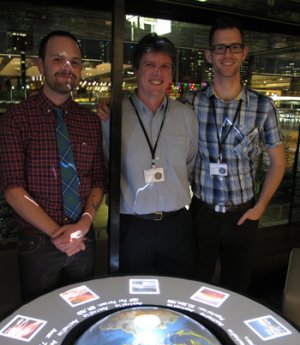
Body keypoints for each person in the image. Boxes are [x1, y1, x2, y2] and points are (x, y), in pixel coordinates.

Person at [181, 15, 286, 293]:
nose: (227, 55)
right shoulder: (191, 103)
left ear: (244, 52)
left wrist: (260, 207)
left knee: (237, 288)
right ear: (208, 55)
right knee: (196, 285)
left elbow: (278, 162)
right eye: (220, 48)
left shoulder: (263, 107)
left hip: (243, 215)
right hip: (202, 213)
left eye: (234, 47)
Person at [0, 31, 107, 301]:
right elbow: (12, 188)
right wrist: (60, 236)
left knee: (83, 312)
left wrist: (83, 224)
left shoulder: (90, 121)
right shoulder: (16, 119)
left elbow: (98, 180)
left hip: (84, 238)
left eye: (75, 61)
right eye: (58, 59)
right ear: (40, 64)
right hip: (38, 242)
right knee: (41, 316)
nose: (67, 67)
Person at [100, 33, 198, 277]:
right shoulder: (113, 115)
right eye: (150, 65)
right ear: (135, 70)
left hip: (177, 225)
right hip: (131, 226)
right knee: (131, 293)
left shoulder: (187, 116)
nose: (158, 73)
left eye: (165, 66)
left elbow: (189, 163)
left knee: (177, 292)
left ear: (172, 73)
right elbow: (104, 164)